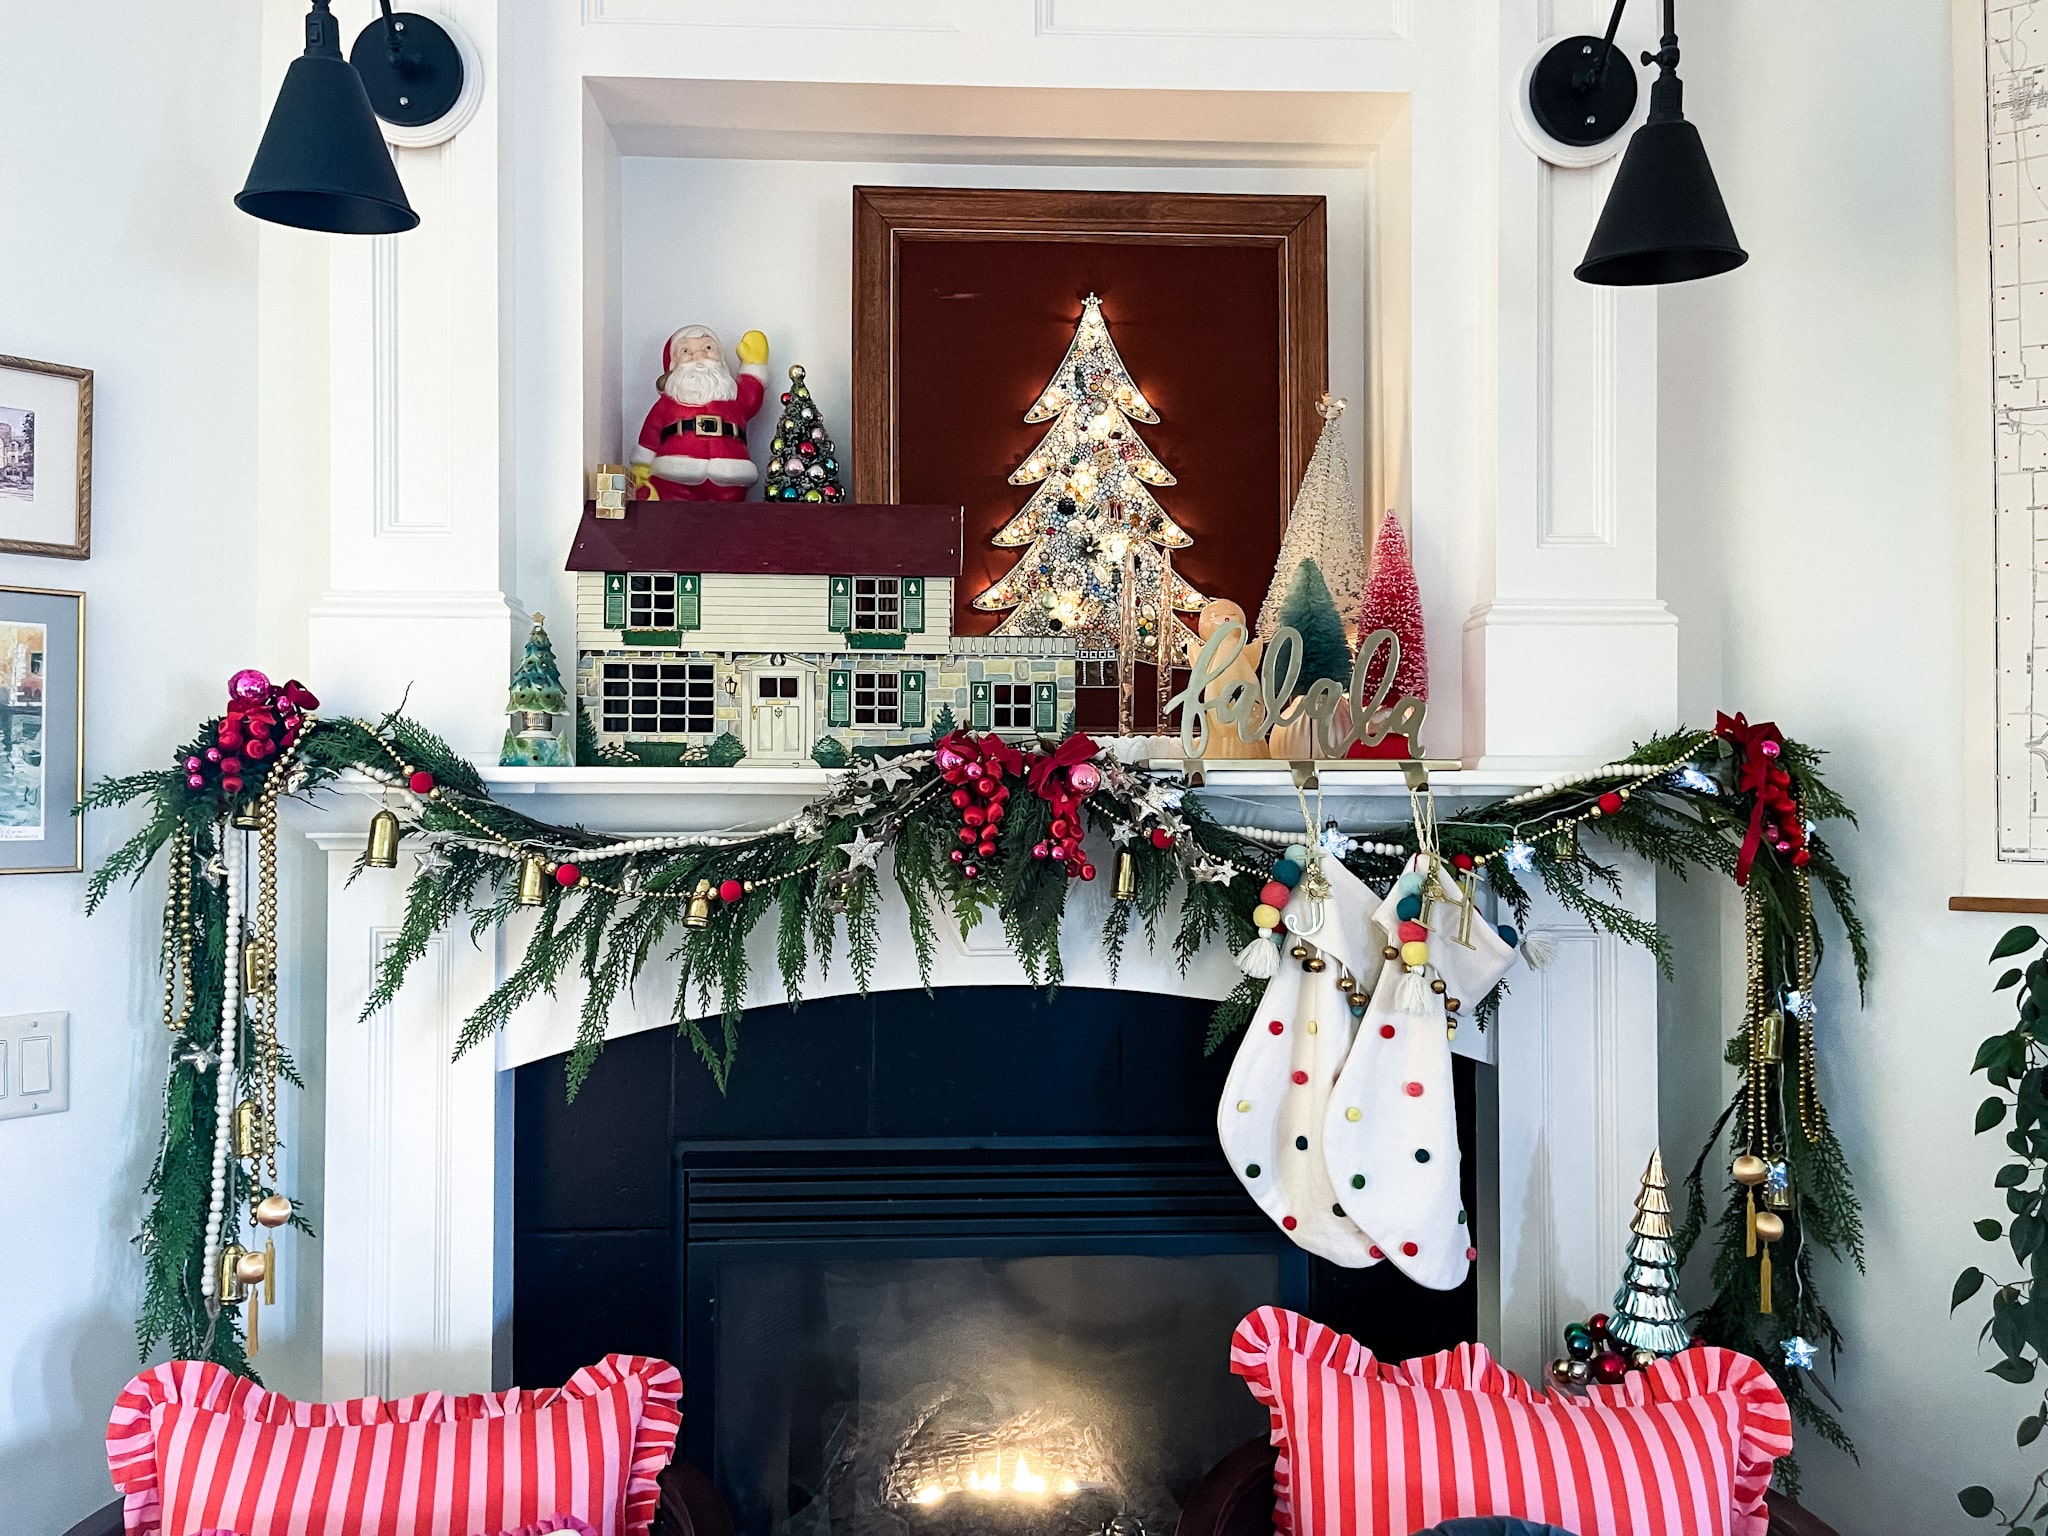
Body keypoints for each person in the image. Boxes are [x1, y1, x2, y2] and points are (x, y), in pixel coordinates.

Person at [629, 325, 769, 502]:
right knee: (673, 518)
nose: (699, 356)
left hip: (731, 473)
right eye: (686, 351)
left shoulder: (733, 397)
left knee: (729, 521)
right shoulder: (667, 404)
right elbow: (651, 434)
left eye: (708, 348)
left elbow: (751, 397)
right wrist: (641, 468)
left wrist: (753, 363)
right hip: (675, 475)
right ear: (673, 364)